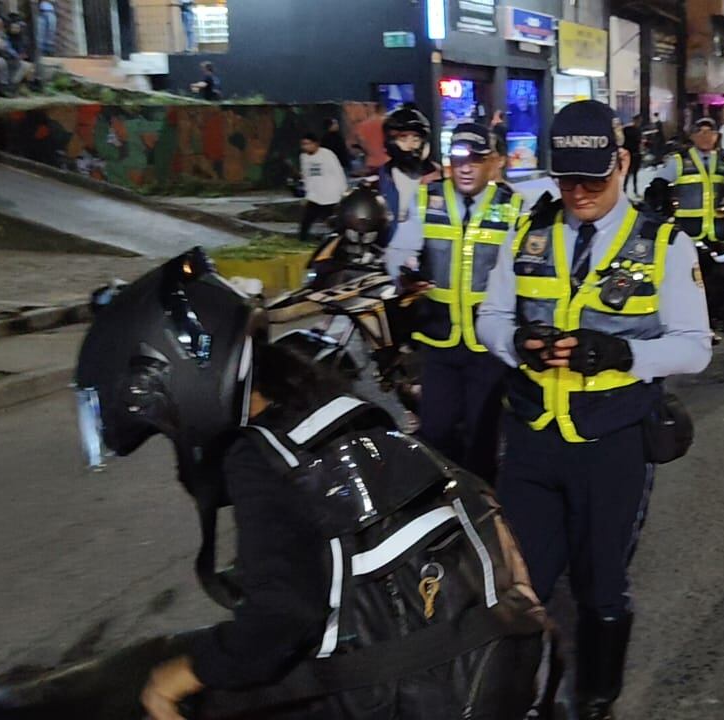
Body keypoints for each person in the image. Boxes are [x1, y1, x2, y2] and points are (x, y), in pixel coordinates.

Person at [72, 248, 544, 720]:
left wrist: (174, 678)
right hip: (485, 650)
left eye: (164, 425)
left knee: (177, 685)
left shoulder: (258, 457)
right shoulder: (323, 406)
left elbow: (281, 618)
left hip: (417, 689)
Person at [476, 100, 712, 719]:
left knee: (600, 583)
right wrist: (517, 348)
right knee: (520, 583)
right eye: (566, 178)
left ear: (624, 163)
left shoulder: (665, 243)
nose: (577, 191)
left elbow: (694, 349)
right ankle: (522, 698)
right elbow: (492, 318)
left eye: (593, 177)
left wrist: (620, 354)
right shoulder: (527, 236)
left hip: (612, 443)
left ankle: (596, 696)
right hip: (531, 439)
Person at [385, 123, 521, 482]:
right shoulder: (427, 199)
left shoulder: (512, 207)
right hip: (438, 338)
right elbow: (399, 250)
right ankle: (446, 504)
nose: (465, 167)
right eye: (458, 158)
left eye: (476, 159)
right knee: (436, 431)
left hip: (487, 345)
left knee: (482, 438)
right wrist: (405, 268)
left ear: (492, 163)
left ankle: (483, 510)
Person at [647, 117, 724, 245]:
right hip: (686, 234)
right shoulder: (679, 161)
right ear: (692, 136)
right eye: (700, 132)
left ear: (716, 136)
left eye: (709, 132)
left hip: (717, 233)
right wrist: (666, 207)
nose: (705, 136)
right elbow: (656, 190)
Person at [375, 104, 441, 247]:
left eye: (416, 139)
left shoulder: (438, 178)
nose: (410, 145)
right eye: (403, 139)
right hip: (390, 248)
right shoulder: (381, 178)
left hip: (427, 250)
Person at [297, 132, 348, 243]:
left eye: (308, 144)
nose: (306, 147)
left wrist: (343, 191)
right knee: (306, 220)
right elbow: (306, 175)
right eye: (304, 144)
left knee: (333, 221)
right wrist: (307, 192)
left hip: (330, 194)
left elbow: (338, 172)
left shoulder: (327, 154)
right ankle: (302, 240)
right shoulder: (304, 157)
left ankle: (340, 240)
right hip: (315, 195)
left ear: (316, 144)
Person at [621, 114, 642, 197]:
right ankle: (631, 190)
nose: (639, 123)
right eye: (639, 121)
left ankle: (626, 190)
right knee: (632, 174)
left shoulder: (627, 129)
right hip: (634, 154)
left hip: (631, 154)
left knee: (630, 174)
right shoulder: (634, 130)